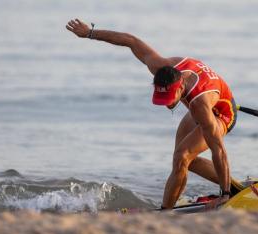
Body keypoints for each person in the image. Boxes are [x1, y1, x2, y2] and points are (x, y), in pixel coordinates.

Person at [66, 19, 237, 209]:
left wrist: (224, 195)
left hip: (222, 113)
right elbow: (130, 40)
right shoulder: (158, 65)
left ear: (180, 86)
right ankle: (233, 186)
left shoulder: (200, 104)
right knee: (183, 159)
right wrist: (89, 33)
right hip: (201, 107)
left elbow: (219, 150)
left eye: (171, 98)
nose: (167, 104)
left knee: (182, 155)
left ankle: (214, 195)